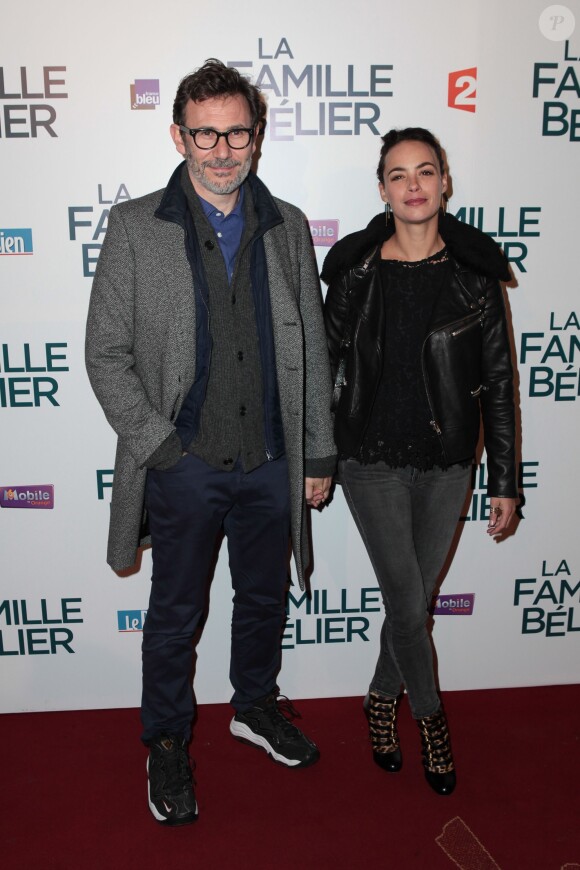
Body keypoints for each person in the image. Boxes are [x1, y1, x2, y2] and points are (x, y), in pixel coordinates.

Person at [86, 59, 335, 826]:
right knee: (174, 614)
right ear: (179, 134)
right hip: (184, 465)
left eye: (236, 132)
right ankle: (167, 740)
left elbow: (312, 347)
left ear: (256, 137)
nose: (222, 148)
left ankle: (253, 705)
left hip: (271, 460)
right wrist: (161, 447)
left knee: (262, 600)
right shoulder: (135, 227)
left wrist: (316, 453)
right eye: (206, 133)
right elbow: (106, 353)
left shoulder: (287, 224)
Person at [322, 127, 517, 795]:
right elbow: (325, 368)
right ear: (382, 189)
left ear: (444, 183)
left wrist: (505, 481)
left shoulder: (475, 275)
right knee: (407, 598)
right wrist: (320, 456)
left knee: (414, 603)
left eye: (425, 171)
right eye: (398, 174)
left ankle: (381, 697)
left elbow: (497, 380)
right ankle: (432, 720)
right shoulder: (354, 269)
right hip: (368, 458)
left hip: (449, 463)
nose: (413, 184)